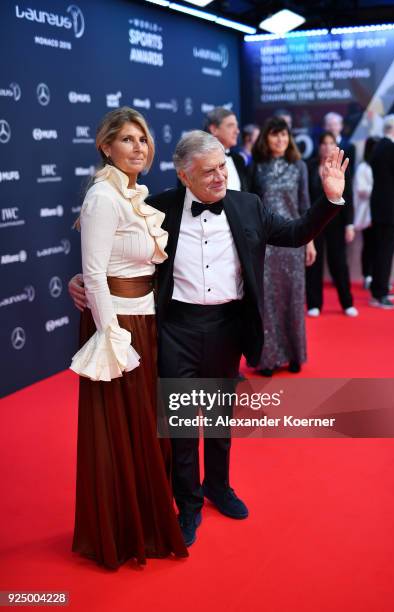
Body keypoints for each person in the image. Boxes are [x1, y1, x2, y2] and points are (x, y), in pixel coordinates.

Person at [69, 130, 349, 547]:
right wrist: (80, 279)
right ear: (184, 176)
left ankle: (219, 486)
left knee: (219, 417)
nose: (220, 177)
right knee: (180, 421)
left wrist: (330, 199)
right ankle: (189, 502)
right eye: (208, 172)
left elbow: (294, 233)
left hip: (228, 325)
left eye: (223, 167)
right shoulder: (157, 207)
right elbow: (113, 249)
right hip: (175, 326)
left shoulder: (248, 205)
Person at [69, 107, 188, 569]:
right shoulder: (103, 196)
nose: (138, 147)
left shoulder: (135, 195)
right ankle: (122, 532)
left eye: (143, 139)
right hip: (117, 328)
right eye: (127, 140)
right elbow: (94, 275)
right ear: (106, 146)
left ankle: (146, 522)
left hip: (146, 322)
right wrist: (111, 335)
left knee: (145, 431)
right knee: (120, 431)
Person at [249, 117, 316, 376]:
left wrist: (309, 241)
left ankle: (295, 354)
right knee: (268, 301)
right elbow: (252, 208)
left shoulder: (299, 166)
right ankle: (270, 358)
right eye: (275, 135)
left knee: (293, 298)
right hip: (266, 244)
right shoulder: (257, 167)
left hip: (293, 242)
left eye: (284, 135)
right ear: (266, 138)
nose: (280, 140)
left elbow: (305, 205)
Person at [306, 131, 358, 317]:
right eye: (324, 143)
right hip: (314, 221)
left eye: (331, 143)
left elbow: (349, 196)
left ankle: (347, 303)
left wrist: (350, 224)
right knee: (313, 262)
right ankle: (314, 304)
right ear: (319, 146)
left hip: (336, 221)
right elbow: (305, 196)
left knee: (339, 263)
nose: (327, 147)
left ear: (335, 146)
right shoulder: (309, 166)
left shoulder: (341, 167)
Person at [369, 114, 394, 308]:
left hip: (378, 206)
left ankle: (379, 287)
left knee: (380, 250)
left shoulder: (377, 147)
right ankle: (380, 293)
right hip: (391, 208)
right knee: (385, 251)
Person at [353, 137, 379, 289]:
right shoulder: (363, 167)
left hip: (380, 211)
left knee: (379, 246)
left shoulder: (380, 165)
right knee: (369, 245)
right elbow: (361, 189)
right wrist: (379, 189)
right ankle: (367, 276)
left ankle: (378, 276)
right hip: (367, 212)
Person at [204, 107, 249, 190]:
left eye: (237, 126)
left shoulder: (239, 160)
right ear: (214, 129)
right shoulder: (198, 161)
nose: (237, 131)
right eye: (230, 126)